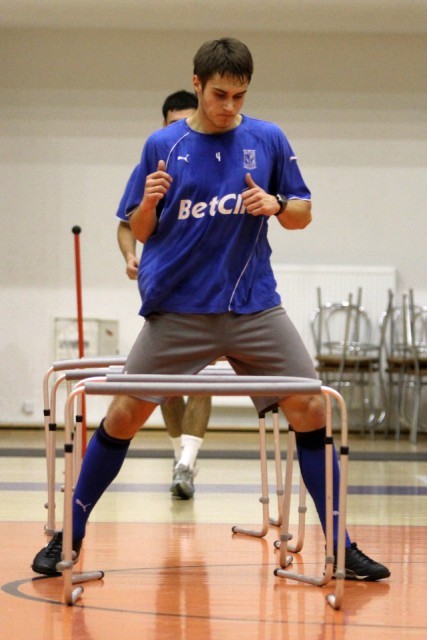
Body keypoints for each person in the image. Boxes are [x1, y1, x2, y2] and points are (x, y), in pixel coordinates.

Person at [32, 37, 390, 582]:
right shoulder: (163, 144)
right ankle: (69, 536)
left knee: (311, 407)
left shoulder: (268, 138)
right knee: (124, 415)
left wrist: (276, 204)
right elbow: (140, 229)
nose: (229, 106)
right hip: (179, 308)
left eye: (239, 96)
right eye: (220, 94)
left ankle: (341, 547)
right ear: (197, 85)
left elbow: (302, 212)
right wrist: (150, 202)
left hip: (253, 307)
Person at [116, 90, 211, 500]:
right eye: (173, 124)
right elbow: (127, 222)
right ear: (163, 125)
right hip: (166, 289)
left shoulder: (217, 161)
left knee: (204, 379)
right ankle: (179, 460)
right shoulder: (153, 163)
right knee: (168, 387)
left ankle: (187, 462)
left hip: (210, 291)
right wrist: (130, 255)